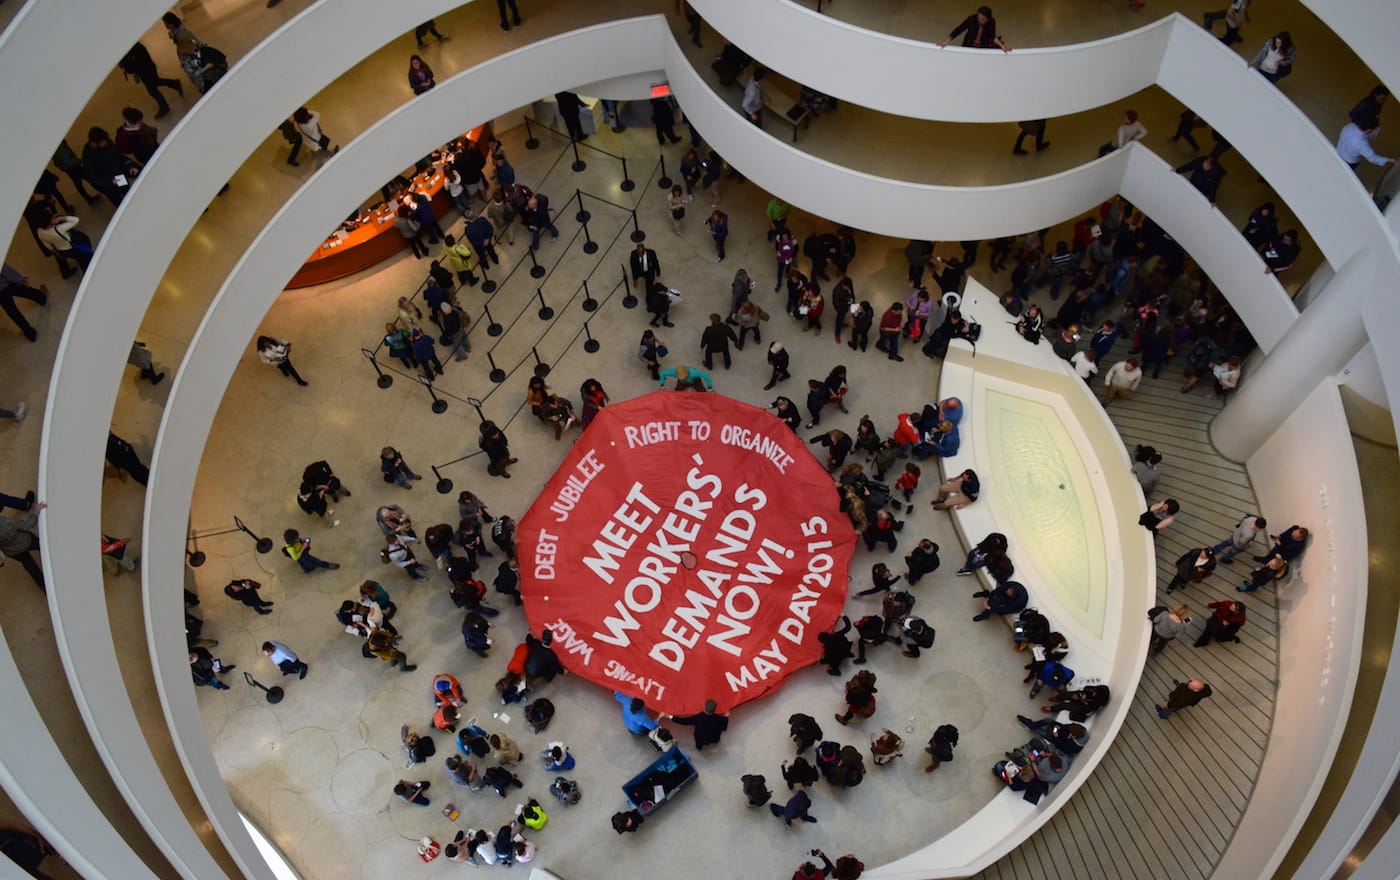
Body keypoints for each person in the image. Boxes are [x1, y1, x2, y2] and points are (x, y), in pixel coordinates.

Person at [0, 500, 47, 588]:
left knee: (29, 565)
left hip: (12, 552)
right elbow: (27, 525)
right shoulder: (6, 523)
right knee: (42, 546)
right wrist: (36, 511)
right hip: (26, 541)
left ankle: (42, 584)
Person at [937, 6, 1010, 51]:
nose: (980, 20)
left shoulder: (992, 22)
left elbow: (992, 36)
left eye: (983, 19)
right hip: (968, 46)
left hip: (982, 48)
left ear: (988, 19)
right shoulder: (971, 19)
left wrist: (1002, 46)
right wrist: (946, 41)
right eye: (978, 18)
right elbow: (959, 30)